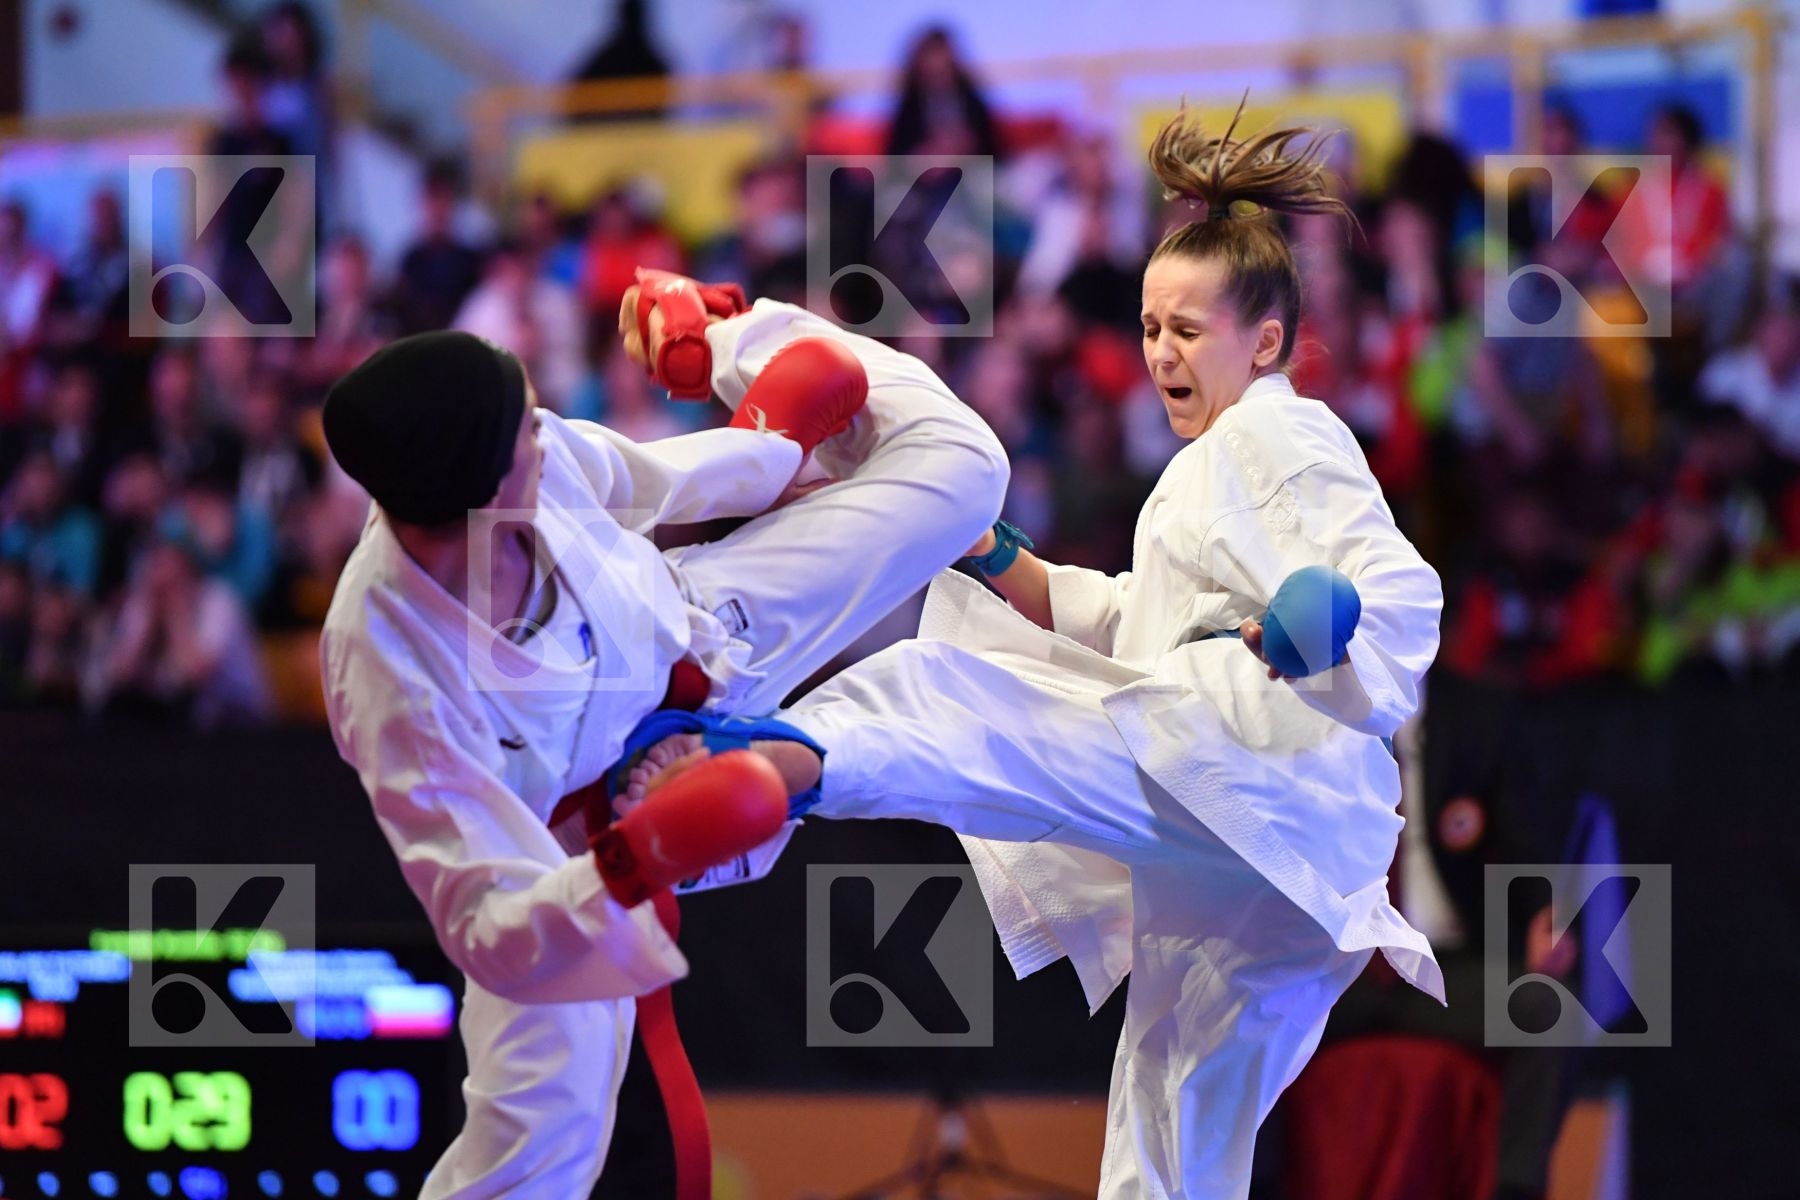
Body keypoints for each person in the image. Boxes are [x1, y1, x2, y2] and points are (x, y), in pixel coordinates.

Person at [624, 105, 1445, 1198]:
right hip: (1288, 880)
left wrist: (1331, 617)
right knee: (1170, 1147)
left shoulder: (1278, 432)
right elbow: (1123, 620)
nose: (1161, 351)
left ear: (1268, 342)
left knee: (947, 692)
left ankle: (757, 764)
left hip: (1248, 768)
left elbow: (1399, 587)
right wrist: (988, 550)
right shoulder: (1207, 473)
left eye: (1189, 331)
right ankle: (761, 778)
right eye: (1151, 327)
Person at [319, 275, 1007, 1197]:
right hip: (577, 846)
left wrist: (766, 445)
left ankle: (727, 326)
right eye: (527, 426)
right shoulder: (389, 668)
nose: (546, 425)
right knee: (543, 1131)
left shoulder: (528, 451)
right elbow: (482, 919)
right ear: (476, 488)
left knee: (963, 469)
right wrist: (636, 856)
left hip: (704, 634)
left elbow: (645, 480)